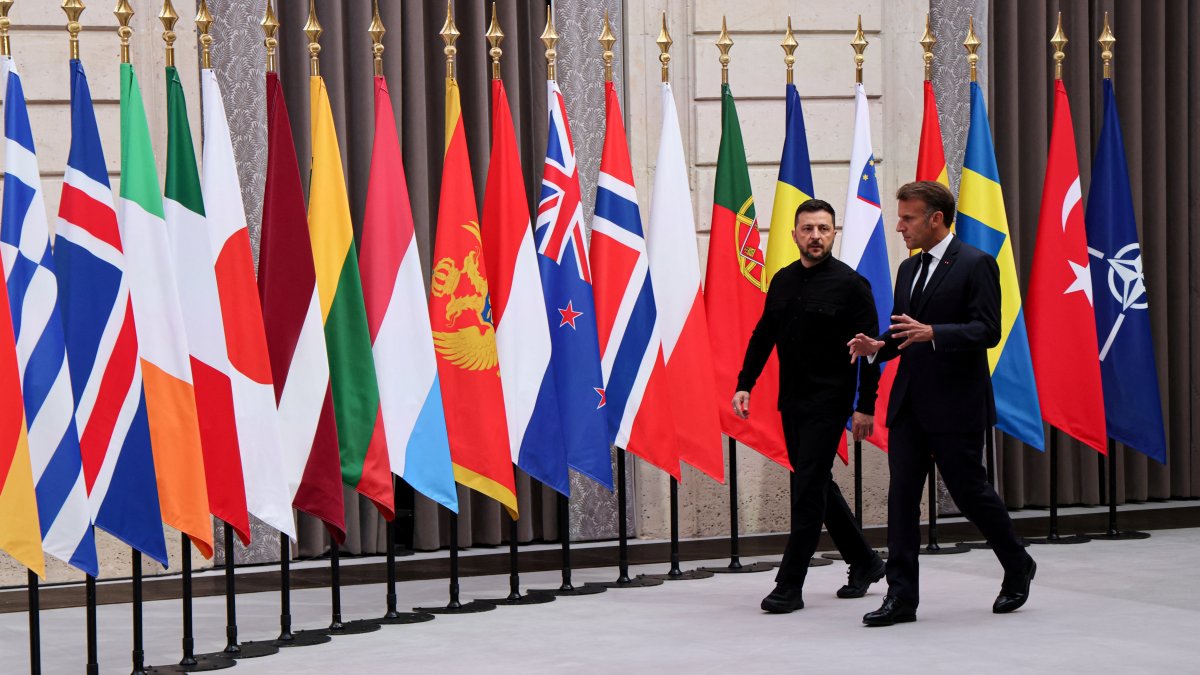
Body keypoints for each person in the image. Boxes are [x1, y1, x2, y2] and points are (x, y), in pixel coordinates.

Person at [848, 180, 1036, 627]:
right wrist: (877, 345)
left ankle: (1017, 563)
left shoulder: (977, 264)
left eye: (908, 218)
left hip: (957, 403)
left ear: (936, 218)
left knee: (971, 493)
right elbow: (902, 333)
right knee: (902, 499)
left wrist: (938, 333)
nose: (899, 227)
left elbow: (988, 330)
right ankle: (901, 598)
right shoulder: (908, 271)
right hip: (911, 403)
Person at [734, 198, 886, 614]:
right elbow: (763, 335)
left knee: (805, 492)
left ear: (834, 233)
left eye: (823, 228)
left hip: (830, 403)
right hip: (792, 401)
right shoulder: (782, 280)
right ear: (794, 234)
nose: (815, 236)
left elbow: (872, 353)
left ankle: (789, 585)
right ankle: (866, 561)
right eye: (807, 229)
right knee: (817, 484)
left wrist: (865, 406)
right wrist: (745, 383)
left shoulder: (852, 286)